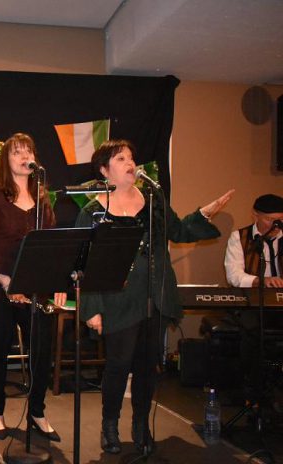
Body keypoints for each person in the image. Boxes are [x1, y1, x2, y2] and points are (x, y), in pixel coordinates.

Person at [76, 139, 233, 455]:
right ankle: (110, 426)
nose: (130, 163)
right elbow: (83, 264)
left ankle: (140, 425)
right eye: (121, 159)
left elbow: (179, 231)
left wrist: (205, 213)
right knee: (118, 365)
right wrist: (91, 308)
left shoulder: (154, 199)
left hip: (154, 296)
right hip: (116, 299)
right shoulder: (93, 211)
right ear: (105, 170)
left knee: (148, 367)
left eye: (132, 157)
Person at [0, 133, 65, 442]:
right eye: (17, 152)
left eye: (28, 150)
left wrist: (56, 283)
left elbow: (52, 244)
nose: (24, 155)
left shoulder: (42, 196)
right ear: (6, 160)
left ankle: (37, 412)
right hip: (1, 288)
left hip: (36, 289)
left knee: (41, 352)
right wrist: (7, 282)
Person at [224, 193, 283, 405]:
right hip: (252, 304)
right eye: (270, 219)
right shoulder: (239, 238)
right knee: (252, 332)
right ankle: (254, 392)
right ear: (255, 215)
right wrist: (262, 281)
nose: (276, 225)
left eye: (280, 220)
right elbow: (234, 276)